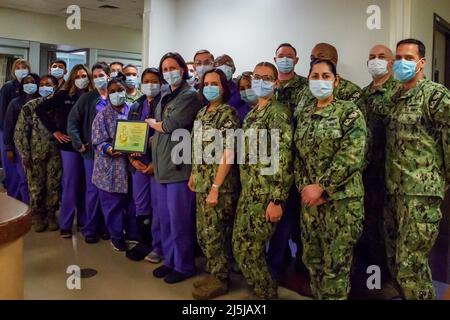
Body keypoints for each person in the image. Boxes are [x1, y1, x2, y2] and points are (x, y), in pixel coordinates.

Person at [294, 59, 366, 300]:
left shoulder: (349, 112)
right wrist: (306, 186)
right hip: (310, 205)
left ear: (336, 81)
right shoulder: (304, 115)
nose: (320, 81)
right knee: (313, 262)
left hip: (341, 204)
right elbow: (298, 157)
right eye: (315, 76)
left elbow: (352, 154)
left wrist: (322, 187)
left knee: (336, 267)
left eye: (326, 76)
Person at [384, 39, 450, 300]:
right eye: (398, 57)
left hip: (420, 194)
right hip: (394, 191)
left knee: (411, 265)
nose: (402, 62)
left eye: (409, 58)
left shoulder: (435, 95)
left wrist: (443, 180)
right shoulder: (395, 96)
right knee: (396, 260)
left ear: (422, 62)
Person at [232, 62, 293, 300]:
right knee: (241, 245)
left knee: (249, 248)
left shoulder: (278, 113)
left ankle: (267, 293)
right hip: (249, 192)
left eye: (267, 78)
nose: (260, 82)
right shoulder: (252, 114)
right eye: (257, 77)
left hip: (266, 193)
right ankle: (262, 289)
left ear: (276, 83)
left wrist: (277, 199)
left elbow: (283, 157)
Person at [145, 52, 202, 284]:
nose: (169, 72)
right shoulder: (165, 95)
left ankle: (184, 265)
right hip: (161, 167)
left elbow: (171, 125)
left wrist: (154, 125)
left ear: (183, 69)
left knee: (179, 221)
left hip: (179, 167)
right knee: (165, 219)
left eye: (173, 67)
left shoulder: (190, 96)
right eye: (165, 69)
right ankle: (170, 260)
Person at [188, 69, 240, 300]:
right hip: (201, 183)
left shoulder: (228, 114)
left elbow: (229, 152)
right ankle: (213, 272)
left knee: (216, 234)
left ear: (223, 87)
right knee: (204, 234)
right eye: (206, 83)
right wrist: (193, 174)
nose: (209, 87)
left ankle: (220, 279)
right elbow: (196, 148)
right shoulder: (201, 113)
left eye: (214, 83)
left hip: (219, 186)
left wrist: (216, 188)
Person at [356, 45, 401, 270]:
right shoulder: (363, 94)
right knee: (367, 222)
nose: (375, 61)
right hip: (365, 171)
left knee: (388, 227)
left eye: (381, 57)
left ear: (392, 63)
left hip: (390, 173)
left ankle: (386, 273)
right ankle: (370, 269)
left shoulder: (399, 93)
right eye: (371, 57)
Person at [35, 64, 93, 238]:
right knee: (71, 184)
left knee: (86, 185)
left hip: (89, 146)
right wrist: (55, 131)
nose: (81, 79)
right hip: (69, 147)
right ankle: (66, 224)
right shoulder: (64, 95)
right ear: (72, 78)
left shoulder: (93, 96)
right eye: (78, 76)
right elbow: (41, 109)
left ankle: (83, 220)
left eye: (84, 76)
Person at [269, 43, 308, 281]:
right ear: (275, 59)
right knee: (276, 217)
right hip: (273, 161)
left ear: (296, 60)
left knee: (297, 220)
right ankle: (277, 262)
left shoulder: (305, 87)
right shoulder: (268, 85)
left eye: (289, 56)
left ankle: (301, 265)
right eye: (280, 56)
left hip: (299, 160)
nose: (284, 59)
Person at [67, 62, 111, 243]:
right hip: (92, 154)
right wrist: (78, 143)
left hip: (113, 154)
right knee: (92, 191)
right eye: (95, 76)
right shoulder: (87, 98)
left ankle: (106, 227)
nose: (99, 79)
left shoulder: (117, 95)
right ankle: (90, 228)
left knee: (109, 192)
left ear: (108, 75)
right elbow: (72, 121)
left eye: (102, 75)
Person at [91, 73, 134, 252]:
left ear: (126, 91)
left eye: (120, 90)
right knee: (112, 204)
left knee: (132, 203)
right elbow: (97, 140)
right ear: (107, 94)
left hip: (131, 164)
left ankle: (133, 233)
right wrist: (108, 149)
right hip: (110, 166)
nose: (117, 94)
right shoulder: (102, 115)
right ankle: (116, 237)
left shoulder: (134, 110)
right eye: (113, 91)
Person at [14, 74, 62, 232]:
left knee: (53, 185)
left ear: (55, 86)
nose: (44, 87)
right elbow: (20, 132)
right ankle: (37, 215)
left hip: (55, 153)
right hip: (35, 154)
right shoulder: (30, 106)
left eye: (48, 84)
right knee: (36, 186)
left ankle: (51, 214)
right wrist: (24, 154)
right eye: (41, 84)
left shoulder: (59, 105)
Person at [128, 67, 163, 263]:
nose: (150, 85)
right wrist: (132, 159)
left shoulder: (165, 104)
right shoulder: (136, 105)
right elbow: (129, 134)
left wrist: (153, 164)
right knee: (141, 205)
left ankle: (158, 246)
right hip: (138, 164)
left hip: (157, 165)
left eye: (154, 81)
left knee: (158, 207)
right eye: (146, 81)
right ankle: (145, 242)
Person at [3, 72, 41, 204]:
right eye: (26, 82)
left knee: (39, 181)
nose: (29, 85)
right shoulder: (15, 103)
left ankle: (38, 210)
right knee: (24, 179)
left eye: (32, 82)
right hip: (21, 148)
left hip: (40, 147)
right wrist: (9, 148)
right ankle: (25, 208)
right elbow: (8, 126)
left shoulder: (43, 101)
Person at [295, 43, 362, 117]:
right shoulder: (307, 89)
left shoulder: (351, 90)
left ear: (334, 61)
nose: (315, 61)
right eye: (312, 58)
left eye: (321, 57)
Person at [0, 59, 31, 190]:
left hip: (26, 134)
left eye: (24, 67)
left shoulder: (31, 85)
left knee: (24, 171)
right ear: (13, 70)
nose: (21, 69)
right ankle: (13, 197)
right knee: (11, 168)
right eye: (18, 67)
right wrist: (7, 141)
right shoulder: (8, 87)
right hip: (8, 131)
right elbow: (2, 112)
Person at [213, 55, 250, 122]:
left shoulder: (241, 90)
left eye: (227, 64)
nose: (223, 66)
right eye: (219, 64)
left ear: (234, 69)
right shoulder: (208, 91)